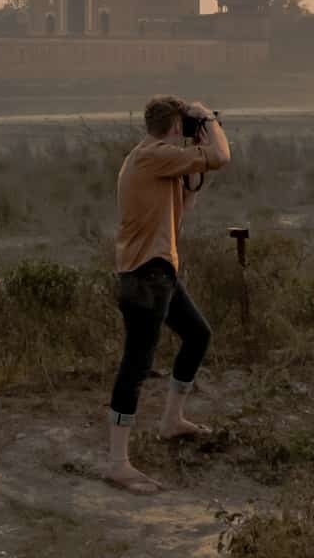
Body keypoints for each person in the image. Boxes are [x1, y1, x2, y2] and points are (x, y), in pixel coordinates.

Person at [104, 95, 230, 493]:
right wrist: (208, 118)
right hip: (146, 276)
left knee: (198, 335)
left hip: (159, 272)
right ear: (176, 126)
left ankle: (172, 421)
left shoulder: (156, 161)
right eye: (187, 125)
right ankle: (117, 463)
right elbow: (222, 155)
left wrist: (194, 176)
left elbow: (181, 211)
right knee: (136, 364)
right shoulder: (151, 156)